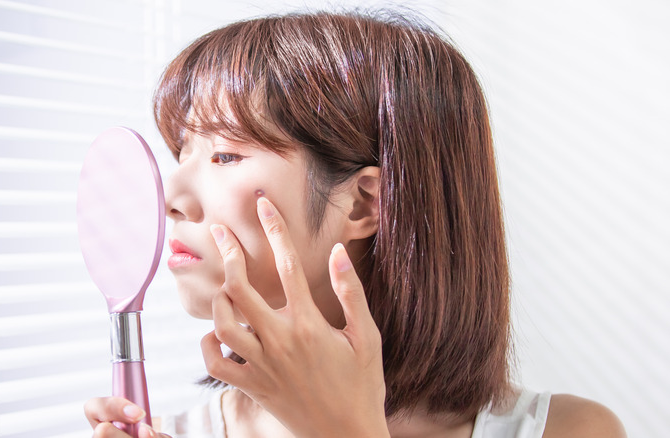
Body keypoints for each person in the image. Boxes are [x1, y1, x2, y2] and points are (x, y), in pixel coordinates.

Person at [85, 9, 626, 438]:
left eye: (225, 155)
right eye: (181, 152)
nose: (169, 197)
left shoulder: (570, 433)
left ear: (366, 203)